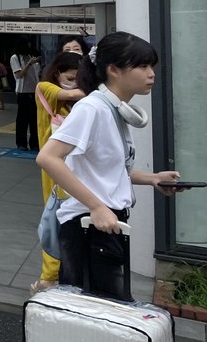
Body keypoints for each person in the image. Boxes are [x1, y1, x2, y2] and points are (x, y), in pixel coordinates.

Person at [36, 32, 182, 302]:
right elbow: (48, 158)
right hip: (89, 227)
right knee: (97, 312)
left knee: (105, 312)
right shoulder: (92, 108)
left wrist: (152, 179)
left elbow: (106, 170)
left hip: (104, 224)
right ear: (113, 70)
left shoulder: (113, 110)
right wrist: (96, 206)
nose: (151, 74)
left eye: (152, 66)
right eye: (142, 66)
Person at [30, 51, 84, 295]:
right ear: (57, 72)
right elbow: (70, 93)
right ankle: (49, 276)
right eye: (70, 77)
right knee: (54, 219)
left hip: (78, 170)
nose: (74, 83)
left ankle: (66, 274)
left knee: (71, 220)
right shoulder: (45, 88)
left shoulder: (80, 103)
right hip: (53, 170)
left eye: (78, 79)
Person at [11, 43, 41, 151]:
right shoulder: (15, 58)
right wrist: (29, 64)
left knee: (34, 120)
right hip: (23, 92)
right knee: (22, 120)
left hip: (34, 92)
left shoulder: (30, 57)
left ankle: (35, 143)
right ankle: (21, 143)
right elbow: (19, 75)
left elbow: (36, 75)